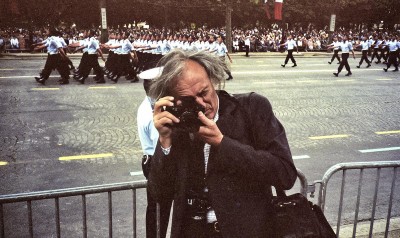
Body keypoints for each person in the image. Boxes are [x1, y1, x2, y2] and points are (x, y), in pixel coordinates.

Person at [148, 49, 297, 238]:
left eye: (204, 92)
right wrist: (165, 141)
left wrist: (222, 143)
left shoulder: (251, 107)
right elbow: (159, 193)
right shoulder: (177, 125)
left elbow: (285, 174)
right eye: (189, 100)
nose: (201, 104)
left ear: (213, 80)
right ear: (173, 100)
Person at [137, 67, 172, 238]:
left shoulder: (148, 104)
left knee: (156, 209)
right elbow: (162, 145)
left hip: (150, 160)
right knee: (159, 211)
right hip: (157, 162)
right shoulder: (155, 116)